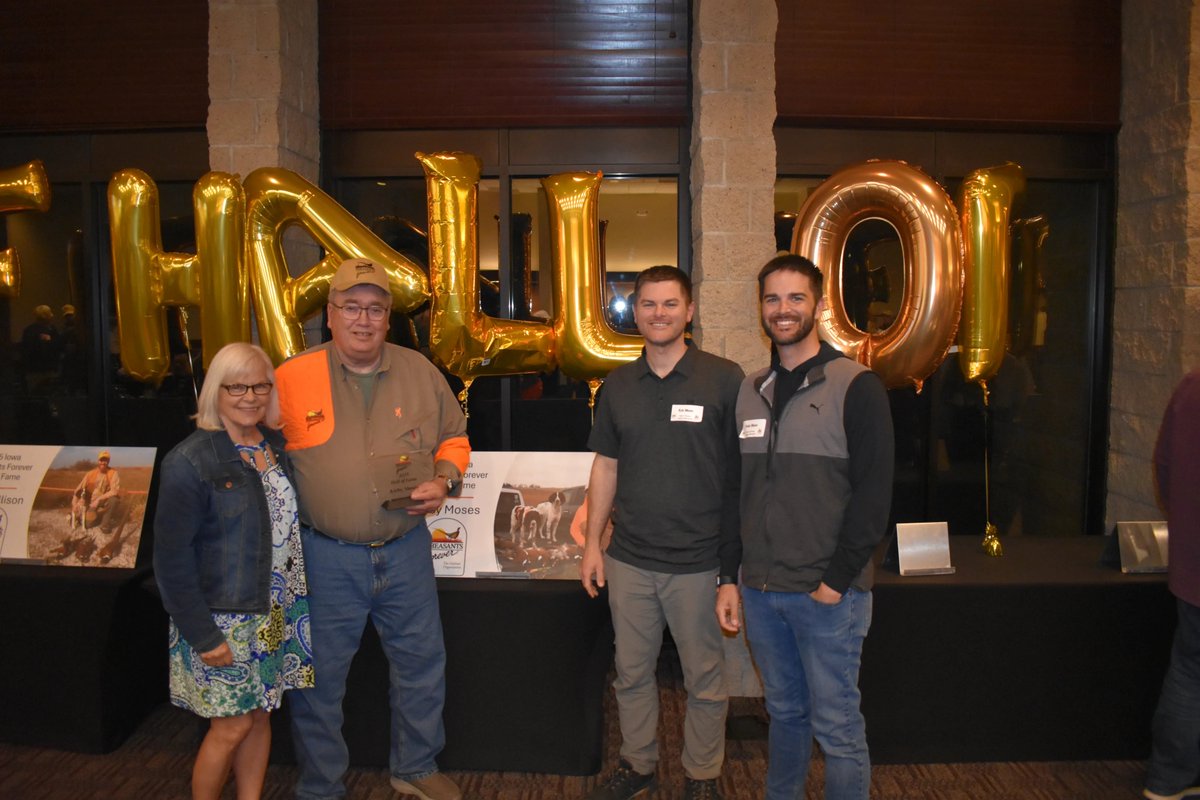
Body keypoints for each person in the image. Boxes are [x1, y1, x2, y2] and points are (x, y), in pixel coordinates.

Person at [274, 257, 470, 800]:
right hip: (325, 557)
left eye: (376, 309)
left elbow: (455, 437)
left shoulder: (421, 372)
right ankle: (320, 786)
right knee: (321, 680)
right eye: (352, 307)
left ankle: (416, 767)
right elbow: (257, 451)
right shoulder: (291, 378)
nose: (364, 319)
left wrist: (447, 479)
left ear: (388, 319)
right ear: (330, 315)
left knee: (422, 664)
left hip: (406, 548)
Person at [717, 253, 893, 800]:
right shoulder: (751, 389)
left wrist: (836, 581)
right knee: (785, 713)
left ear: (818, 305)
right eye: (772, 298)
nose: (783, 309)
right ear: (761, 308)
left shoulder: (856, 386)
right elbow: (733, 493)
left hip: (827, 597)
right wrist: (730, 576)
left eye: (796, 298)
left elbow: (874, 495)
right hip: (763, 592)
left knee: (837, 729)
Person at [580, 265, 744, 800]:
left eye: (670, 304)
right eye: (647, 304)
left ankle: (702, 777)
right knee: (630, 675)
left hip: (698, 564)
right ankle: (639, 766)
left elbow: (738, 477)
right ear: (636, 314)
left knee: (704, 682)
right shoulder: (619, 385)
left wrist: (729, 570)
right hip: (629, 560)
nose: (658, 313)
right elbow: (605, 466)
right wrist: (591, 545)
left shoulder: (724, 378)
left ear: (689, 311)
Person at [153, 342, 314, 800]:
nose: (250, 396)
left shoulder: (277, 449)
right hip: (222, 618)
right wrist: (204, 636)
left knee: (261, 715)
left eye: (260, 385)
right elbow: (171, 560)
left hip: (275, 613)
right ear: (215, 391)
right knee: (232, 726)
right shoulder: (189, 461)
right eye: (236, 386)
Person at [1145, 370, 1200, 800]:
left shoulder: (1190, 385)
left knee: (1188, 669)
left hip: (1193, 565)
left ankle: (1167, 781)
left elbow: (1163, 466)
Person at [49, 449, 124, 563]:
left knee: (114, 500)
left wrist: (99, 499)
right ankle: (76, 517)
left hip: (103, 501)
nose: (103, 463)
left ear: (108, 461)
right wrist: (74, 504)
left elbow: (114, 491)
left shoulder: (113, 473)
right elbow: (78, 490)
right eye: (101, 460)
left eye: (106, 460)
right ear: (98, 461)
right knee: (88, 524)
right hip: (91, 504)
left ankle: (104, 524)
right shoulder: (90, 474)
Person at [20, 303, 61, 393]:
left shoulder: (52, 330)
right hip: (37, 373)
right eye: (50, 313)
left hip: (47, 370)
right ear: (44, 316)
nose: (52, 315)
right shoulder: (31, 331)